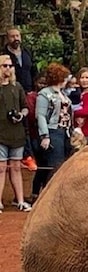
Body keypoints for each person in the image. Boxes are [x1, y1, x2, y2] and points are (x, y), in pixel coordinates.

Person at [34, 62, 72, 198]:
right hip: (52, 132)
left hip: (64, 132)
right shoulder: (44, 94)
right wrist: (45, 135)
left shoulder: (62, 94)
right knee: (53, 166)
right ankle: (47, 196)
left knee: (61, 165)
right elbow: (41, 116)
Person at [0, 54, 31, 211]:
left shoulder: (17, 86)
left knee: (16, 167)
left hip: (16, 132)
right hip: (1, 133)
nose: (8, 68)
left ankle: (20, 201)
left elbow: (25, 106)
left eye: (10, 66)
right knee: (1, 168)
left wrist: (21, 115)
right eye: (5, 65)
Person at [4, 28, 34, 93]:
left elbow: (33, 71)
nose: (16, 38)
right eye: (12, 36)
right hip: (11, 91)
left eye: (17, 36)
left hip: (28, 91)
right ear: (7, 39)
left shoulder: (27, 52)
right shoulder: (3, 54)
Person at [72, 67, 88, 142]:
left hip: (87, 132)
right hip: (76, 131)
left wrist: (72, 112)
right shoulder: (76, 93)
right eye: (82, 77)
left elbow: (86, 111)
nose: (84, 80)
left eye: (87, 77)